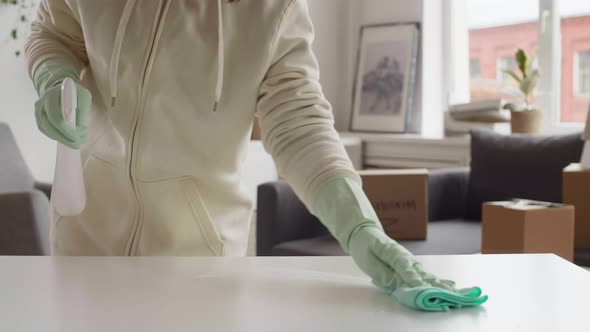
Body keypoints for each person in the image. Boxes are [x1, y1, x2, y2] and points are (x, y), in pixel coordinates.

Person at [25, 0, 486, 311]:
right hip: (85, 244)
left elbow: (299, 121)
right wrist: (53, 74)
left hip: (201, 267)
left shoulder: (273, 8)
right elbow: (52, 33)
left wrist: (360, 227)